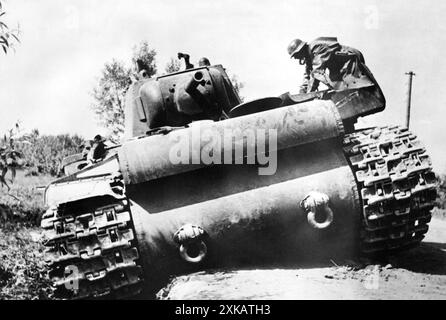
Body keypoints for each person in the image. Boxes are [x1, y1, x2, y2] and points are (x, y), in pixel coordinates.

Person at [287, 37, 376, 94]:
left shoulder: (316, 47)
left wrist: (308, 94)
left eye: (295, 55)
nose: (295, 58)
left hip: (349, 59)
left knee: (353, 87)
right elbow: (308, 74)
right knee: (336, 86)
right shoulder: (308, 56)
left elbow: (317, 72)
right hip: (339, 65)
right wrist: (301, 92)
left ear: (300, 50)